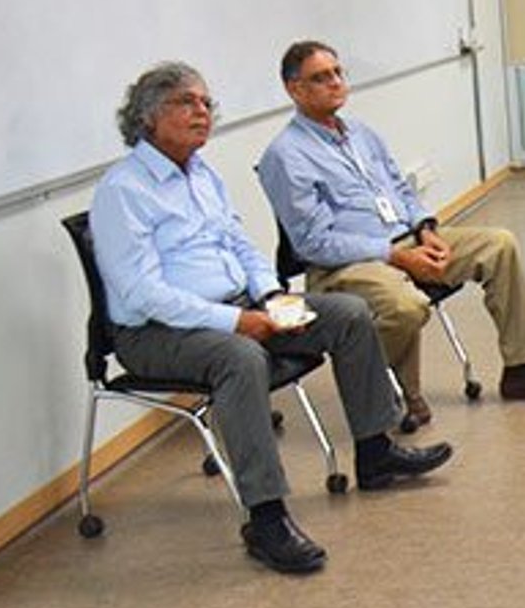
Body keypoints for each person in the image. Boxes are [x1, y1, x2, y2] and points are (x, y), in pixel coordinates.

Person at [90, 62, 453, 574]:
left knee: (348, 313)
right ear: (148, 117)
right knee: (241, 358)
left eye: (206, 102)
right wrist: (237, 322)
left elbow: (241, 245)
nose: (202, 112)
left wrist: (271, 296)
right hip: (155, 332)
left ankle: (375, 452)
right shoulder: (124, 190)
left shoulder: (201, 174)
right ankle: (266, 519)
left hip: (239, 304)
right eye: (186, 102)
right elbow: (143, 293)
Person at [258, 41, 525, 430]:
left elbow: (401, 188)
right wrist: (393, 255)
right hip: (346, 266)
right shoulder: (286, 155)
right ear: (295, 89)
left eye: (338, 73)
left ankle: (521, 370)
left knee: (499, 244)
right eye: (320, 78)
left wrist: (425, 229)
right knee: (405, 305)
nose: (335, 82)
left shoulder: (360, 133)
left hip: (406, 240)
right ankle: (389, 392)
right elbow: (313, 244)